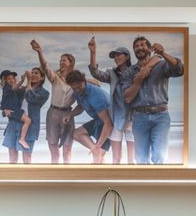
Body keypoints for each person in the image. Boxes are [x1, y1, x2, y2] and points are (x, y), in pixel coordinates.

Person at [122, 34, 185, 163]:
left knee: (160, 156)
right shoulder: (129, 72)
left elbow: (179, 69)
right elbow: (127, 98)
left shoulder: (161, 65)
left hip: (161, 117)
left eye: (142, 45)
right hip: (139, 118)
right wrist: (139, 78)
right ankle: (144, 183)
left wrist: (163, 53)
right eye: (136, 46)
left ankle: (158, 183)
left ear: (149, 48)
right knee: (140, 159)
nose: (139, 48)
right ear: (134, 51)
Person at [29, 37, 79, 163]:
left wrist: (91, 80)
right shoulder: (55, 78)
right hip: (53, 113)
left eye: (64, 60)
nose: (61, 62)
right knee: (53, 147)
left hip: (68, 114)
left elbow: (84, 86)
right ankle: (55, 173)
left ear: (71, 63)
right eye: (60, 60)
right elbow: (45, 66)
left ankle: (67, 176)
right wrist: (39, 52)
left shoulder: (77, 80)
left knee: (67, 149)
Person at [87, 37, 135, 163]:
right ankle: (115, 181)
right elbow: (96, 73)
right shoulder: (112, 74)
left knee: (132, 159)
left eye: (119, 55)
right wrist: (93, 52)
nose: (116, 58)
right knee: (116, 158)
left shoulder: (135, 72)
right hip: (116, 119)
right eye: (114, 56)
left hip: (133, 119)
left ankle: (132, 182)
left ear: (127, 57)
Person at [64, 70, 113, 163]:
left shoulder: (96, 95)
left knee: (97, 156)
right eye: (74, 88)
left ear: (84, 81)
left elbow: (108, 123)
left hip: (111, 122)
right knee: (76, 134)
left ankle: (98, 154)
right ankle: (97, 151)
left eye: (79, 87)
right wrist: (70, 115)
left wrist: (98, 145)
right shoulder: (77, 92)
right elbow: (81, 106)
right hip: (98, 120)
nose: (77, 90)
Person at [17, 67, 49, 162]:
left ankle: (27, 174)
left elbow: (31, 98)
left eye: (36, 73)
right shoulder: (23, 89)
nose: (33, 74)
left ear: (42, 78)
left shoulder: (44, 93)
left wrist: (29, 81)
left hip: (31, 125)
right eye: (32, 73)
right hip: (18, 122)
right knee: (17, 152)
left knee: (27, 153)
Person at [0, 69, 28, 164]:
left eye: (13, 78)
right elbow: (4, 108)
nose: (12, 80)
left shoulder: (19, 90)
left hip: (21, 124)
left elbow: (26, 89)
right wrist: (4, 110)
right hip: (12, 123)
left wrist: (27, 80)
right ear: (4, 80)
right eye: (8, 79)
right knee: (12, 154)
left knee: (25, 155)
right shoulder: (8, 89)